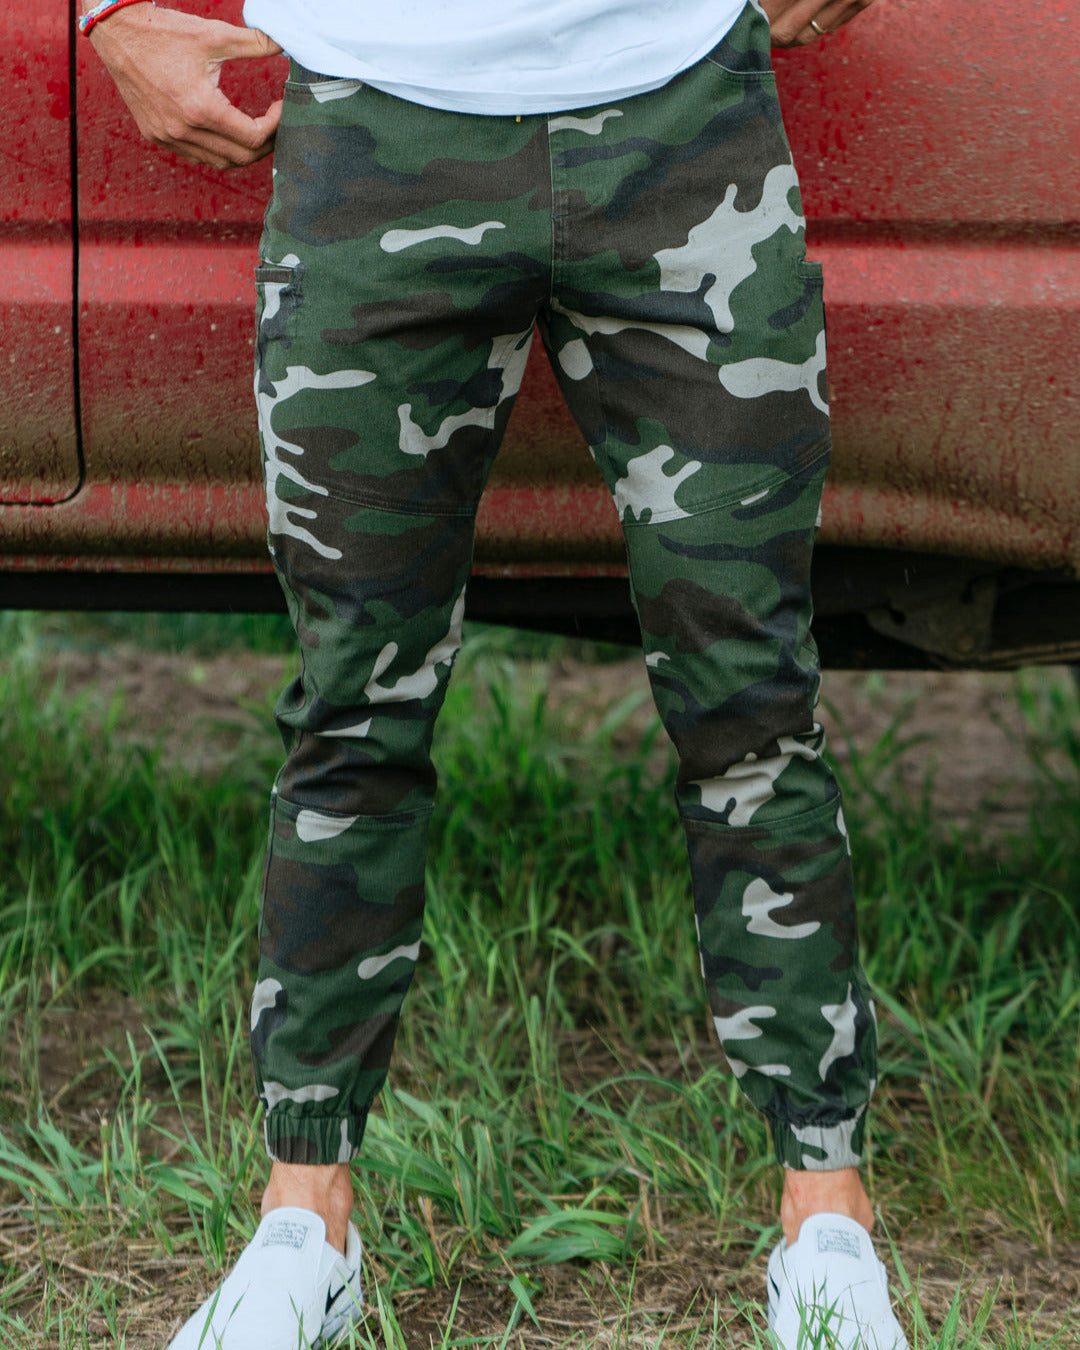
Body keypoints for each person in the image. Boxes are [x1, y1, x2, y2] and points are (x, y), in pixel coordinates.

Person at [83, 1, 911, 1346]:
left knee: (750, 696)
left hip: (680, 114)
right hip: (372, 125)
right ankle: (305, 1226)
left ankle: (828, 1222)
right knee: (353, 701)